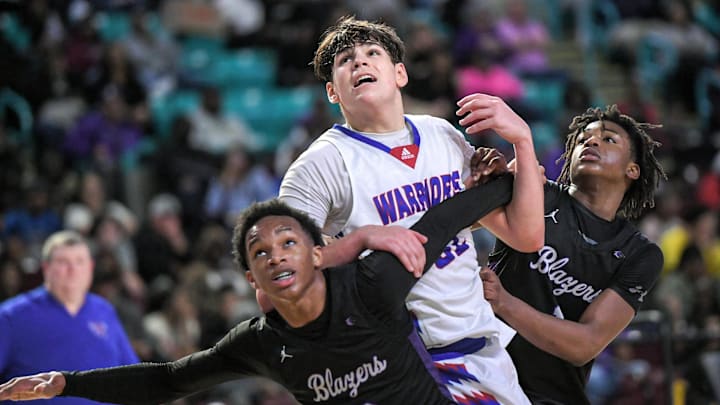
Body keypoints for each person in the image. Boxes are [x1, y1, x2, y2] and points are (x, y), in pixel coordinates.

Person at [0, 172, 517, 404]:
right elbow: (168, 381)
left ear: (318, 253)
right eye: (260, 252)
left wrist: (510, 180)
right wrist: (68, 383)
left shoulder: (372, 285)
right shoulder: (263, 344)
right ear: (252, 279)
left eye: (288, 241)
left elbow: (444, 219)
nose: (275, 255)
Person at [277, 16, 544, 404]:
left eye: (372, 53)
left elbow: (526, 235)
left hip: (482, 351)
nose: (360, 63)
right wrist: (360, 241)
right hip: (405, 361)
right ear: (333, 92)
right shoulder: (322, 164)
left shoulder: (442, 135)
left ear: (399, 73)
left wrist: (522, 139)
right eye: (346, 60)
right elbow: (283, 272)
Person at [480, 105, 667, 404]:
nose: (591, 142)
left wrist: (504, 303)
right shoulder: (536, 192)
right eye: (583, 139)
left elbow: (584, 345)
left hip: (552, 396)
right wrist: (485, 183)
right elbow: (464, 220)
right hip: (481, 375)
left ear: (632, 169)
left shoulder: (640, 254)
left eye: (608, 140)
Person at [0, 230, 139, 405]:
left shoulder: (104, 311)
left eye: (80, 262)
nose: (73, 270)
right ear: (46, 268)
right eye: (63, 262)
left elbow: (132, 377)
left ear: (90, 267)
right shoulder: (11, 316)